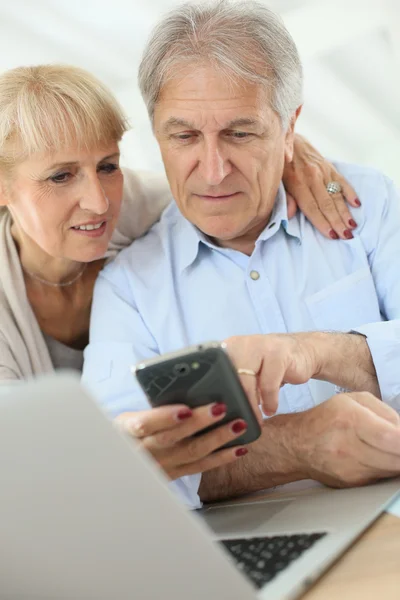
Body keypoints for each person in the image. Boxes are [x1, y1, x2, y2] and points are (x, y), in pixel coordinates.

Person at [82, 0, 400, 509]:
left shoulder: (370, 204)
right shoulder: (128, 288)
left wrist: (316, 351)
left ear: (290, 127)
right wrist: (298, 446)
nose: (212, 171)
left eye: (240, 133)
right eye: (184, 135)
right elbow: (122, 468)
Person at [0, 63, 353, 483]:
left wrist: (296, 155)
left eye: (108, 165)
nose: (97, 202)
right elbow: (21, 460)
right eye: (60, 176)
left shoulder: (138, 203)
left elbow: (231, 180)